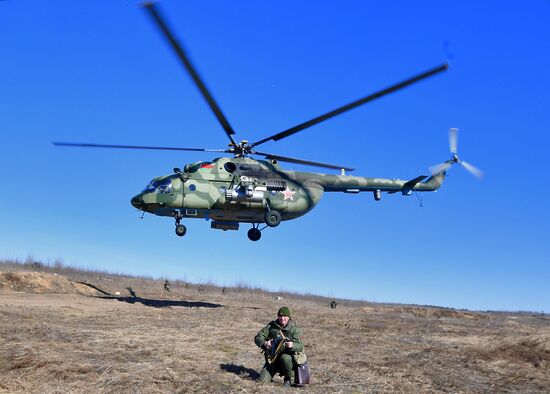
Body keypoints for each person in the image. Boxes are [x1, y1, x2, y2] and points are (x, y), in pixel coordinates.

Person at [254, 306, 305, 387]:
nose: (282, 318)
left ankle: (287, 378)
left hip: (287, 359)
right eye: (280, 316)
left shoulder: (294, 329)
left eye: (285, 316)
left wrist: (292, 345)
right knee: (261, 381)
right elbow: (258, 337)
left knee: (285, 358)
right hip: (272, 359)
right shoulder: (272, 326)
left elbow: (300, 346)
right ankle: (271, 373)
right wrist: (265, 343)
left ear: (289, 317)